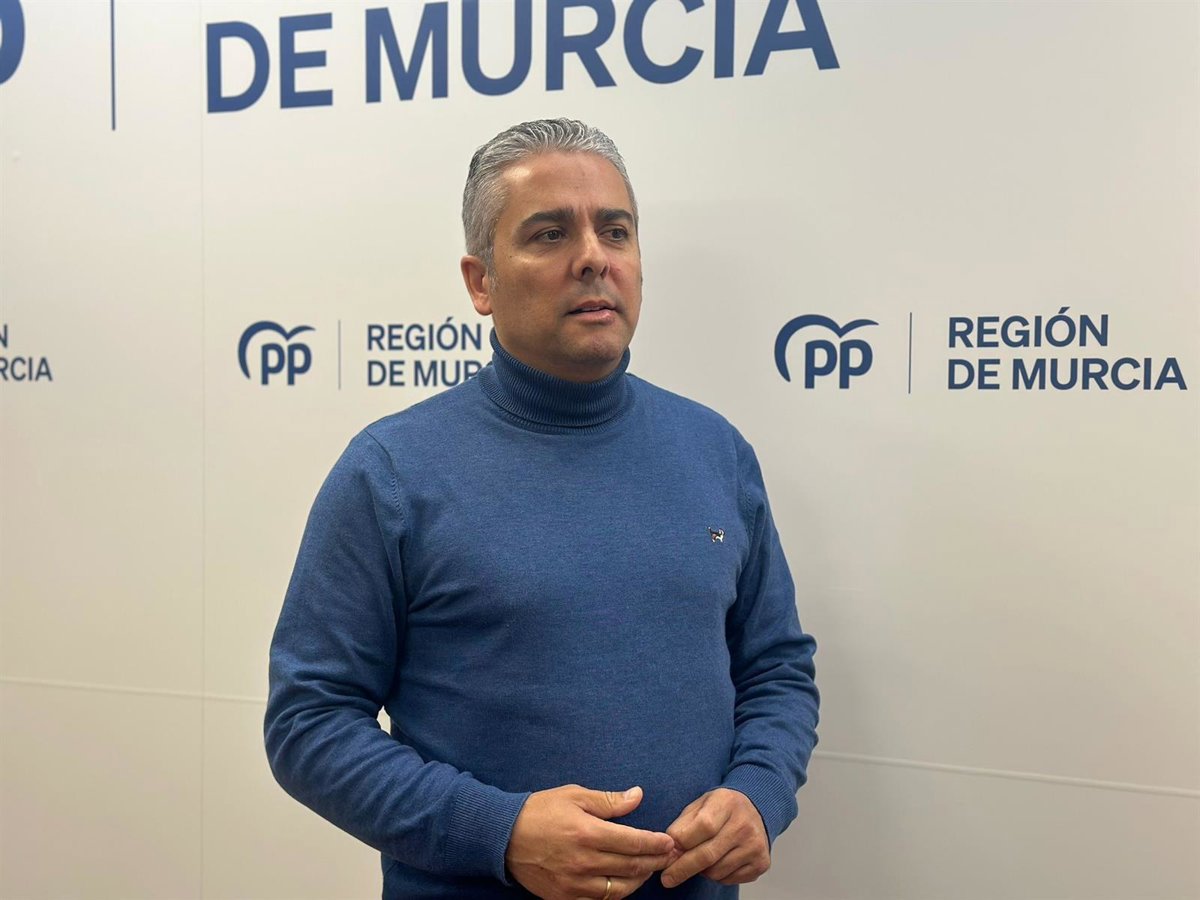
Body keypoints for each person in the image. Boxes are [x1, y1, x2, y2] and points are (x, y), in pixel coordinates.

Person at [265, 118, 819, 900]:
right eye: (550, 234)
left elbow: (776, 670)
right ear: (480, 282)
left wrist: (759, 792)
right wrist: (499, 832)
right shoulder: (390, 473)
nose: (593, 257)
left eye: (615, 231)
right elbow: (308, 723)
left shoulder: (715, 451)